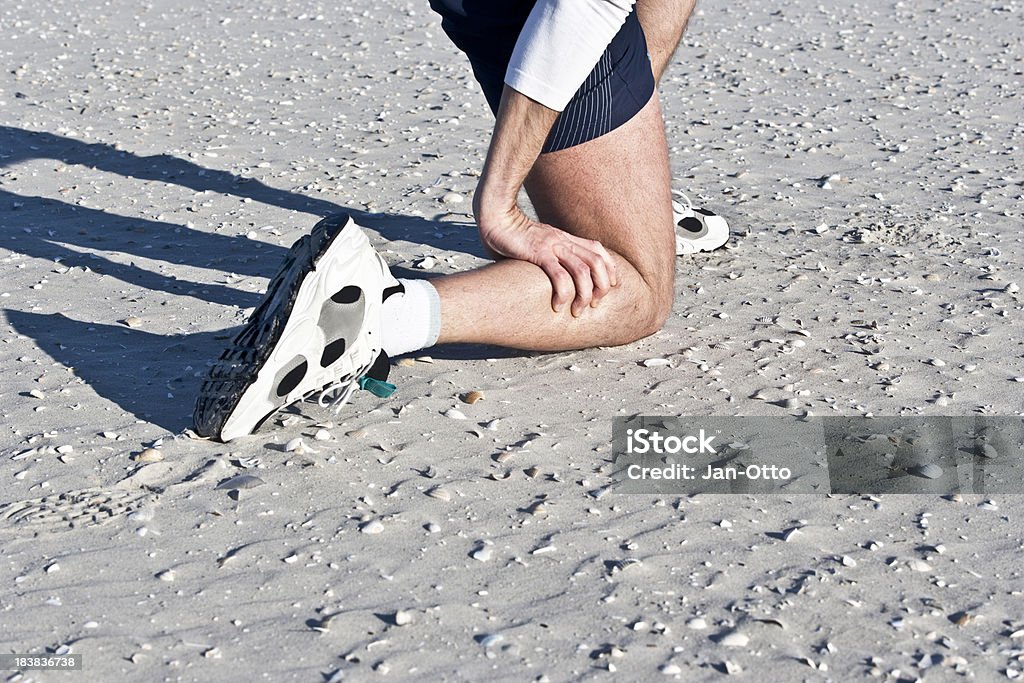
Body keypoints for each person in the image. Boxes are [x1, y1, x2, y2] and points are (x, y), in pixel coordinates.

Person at [193, 0, 729, 441]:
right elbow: (585, 5)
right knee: (635, 290)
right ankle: (377, 316)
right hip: (544, 15)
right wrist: (500, 207)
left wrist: (629, 170)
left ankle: (624, 188)